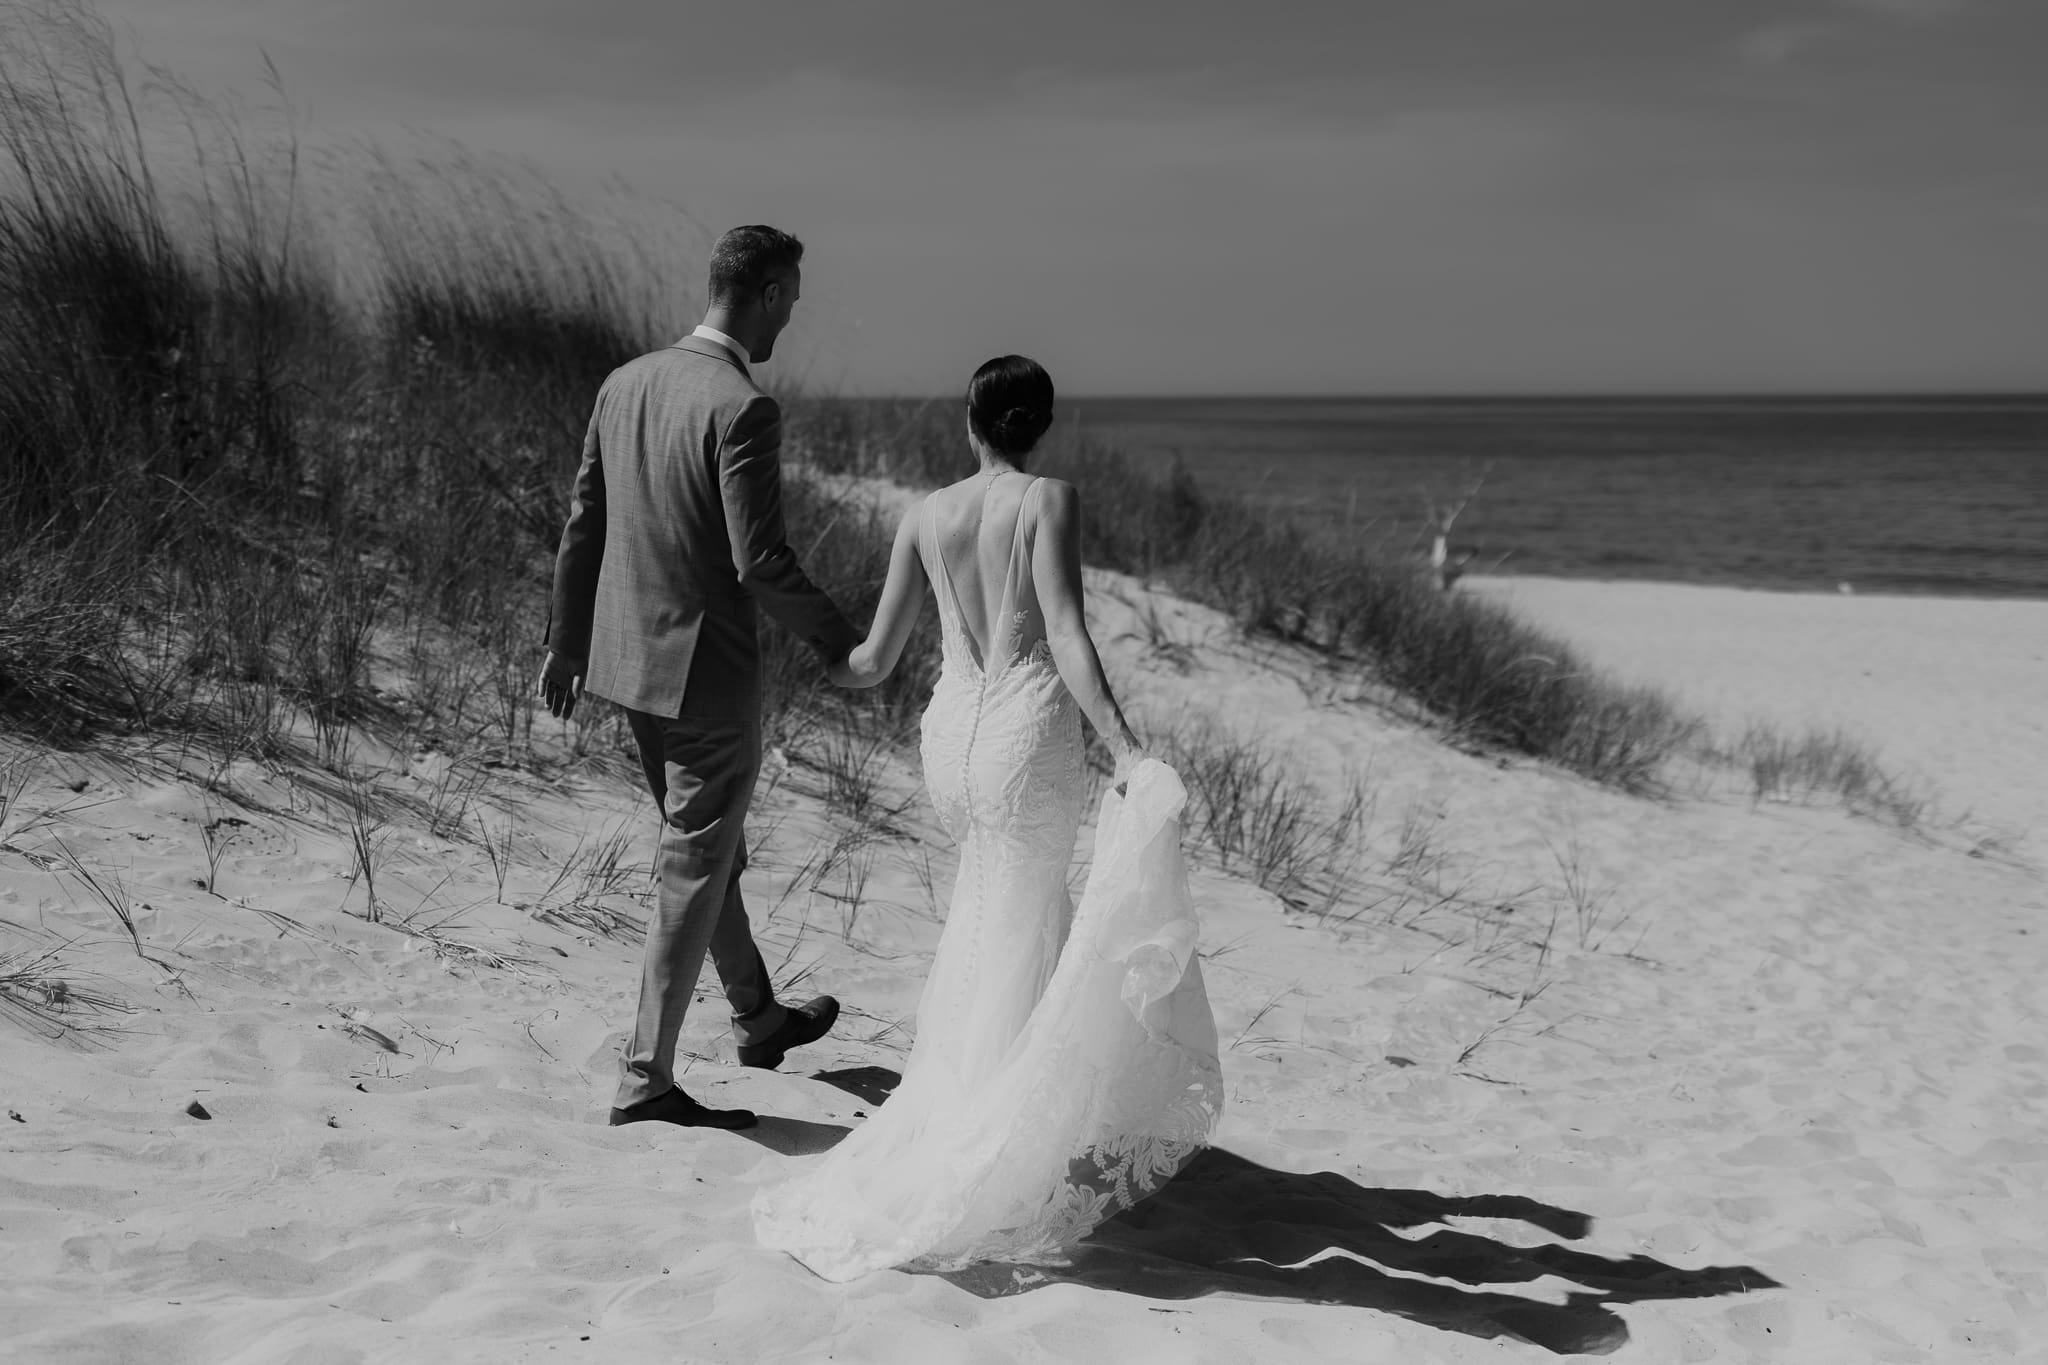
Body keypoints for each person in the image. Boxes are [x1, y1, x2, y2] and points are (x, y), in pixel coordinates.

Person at [751, 356, 1222, 1279]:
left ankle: (982, 1108)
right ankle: (990, 1136)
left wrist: (801, 637)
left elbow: (872, 661)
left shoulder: (925, 514)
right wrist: (1125, 746)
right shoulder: (1048, 499)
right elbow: (1068, 631)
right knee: (1021, 921)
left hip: (953, 736)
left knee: (985, 920)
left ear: (970, 422)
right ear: (1037, 426)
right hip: (1024, 732)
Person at [538, 225, 858, 1130]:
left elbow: (581, 522)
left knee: (707, 849)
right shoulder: (741, 405)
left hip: (625, 664)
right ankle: (646, 1078)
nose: (791, 316)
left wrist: (566, 643)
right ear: (760, 292)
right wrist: (841, 642)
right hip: (704, 674)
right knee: (695, 860)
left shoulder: (625, 381)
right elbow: (759, 561)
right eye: (789, 296)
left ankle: (759, 1018)